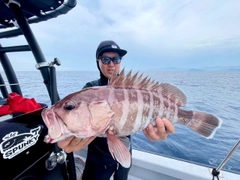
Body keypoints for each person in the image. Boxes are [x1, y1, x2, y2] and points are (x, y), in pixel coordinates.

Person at [58, 40, 175, 180]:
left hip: (124, 155)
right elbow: (75, 119)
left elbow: (142, 118)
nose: (111, 64)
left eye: (116, 59)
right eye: (106, 59)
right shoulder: (89, 91)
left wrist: (155, 130)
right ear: (98, 61)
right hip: (98, 161)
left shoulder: (133, 91)